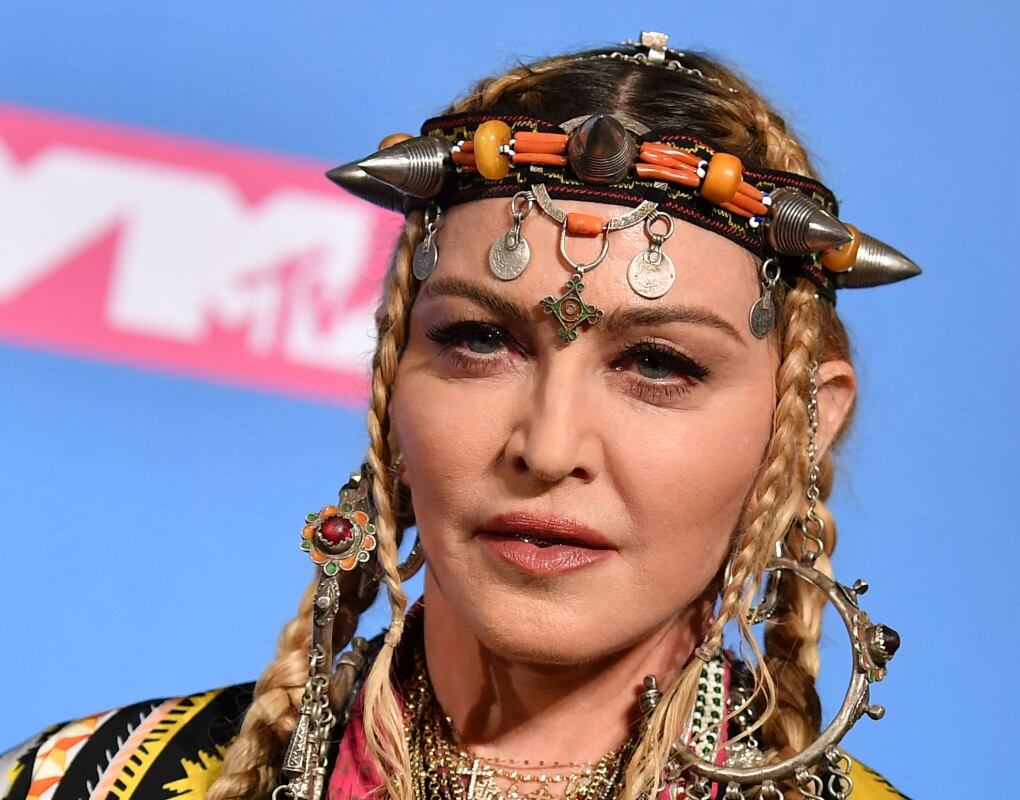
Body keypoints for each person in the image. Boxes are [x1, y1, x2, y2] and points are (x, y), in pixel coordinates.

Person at [0, 33, 917, 800]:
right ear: (393, 372)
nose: (548, 448)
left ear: (803, 423)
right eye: (481, 341)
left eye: (656, 365)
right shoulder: (75, 783)